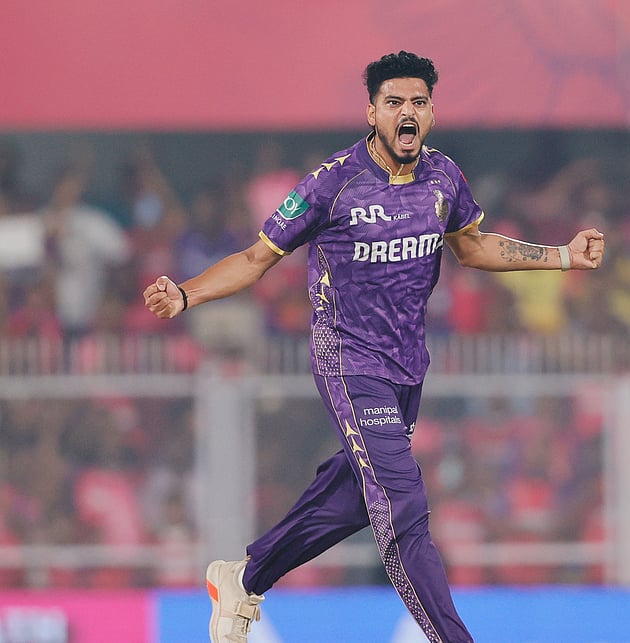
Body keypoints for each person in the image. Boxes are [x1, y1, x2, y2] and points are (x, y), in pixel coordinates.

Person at [143, 51, 605, 643]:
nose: (406, 113)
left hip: (407, 368)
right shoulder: (332, 183)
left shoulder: (444, 178)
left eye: (417, 102)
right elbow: (257, 259)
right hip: (347, 358)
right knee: (404, 505)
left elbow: (472, 247)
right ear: (372, 112)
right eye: (394, 103)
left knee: (358, 498)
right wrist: (185, 295)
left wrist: (563, 256)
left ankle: (244, 575)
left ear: (430, 113)